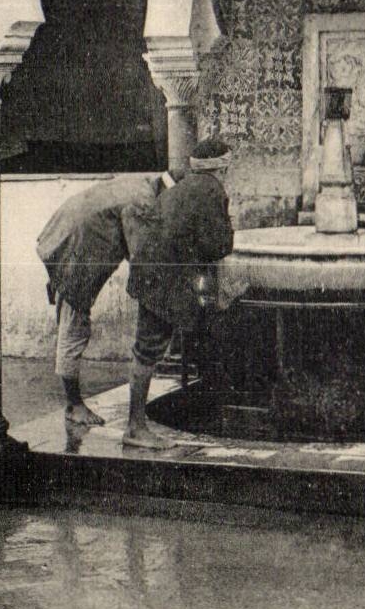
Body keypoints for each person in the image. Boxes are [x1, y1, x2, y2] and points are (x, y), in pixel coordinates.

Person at [124, 137, 235, 449]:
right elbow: (218, 246)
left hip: (148, 271)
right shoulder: (212, 189)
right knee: (149, 348)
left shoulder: (184, 185)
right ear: (222, 166)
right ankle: (135, 428)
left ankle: (139, 423)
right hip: (165, 278)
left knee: (147, 346)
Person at [36, 172, 170, 426]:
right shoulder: (144, 200)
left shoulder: (141, 182)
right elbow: (139, 253)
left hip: (61, 234)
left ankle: (72, 402)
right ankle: (74, 405)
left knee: (70, 318)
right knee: (74, 327)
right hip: (77, 250)